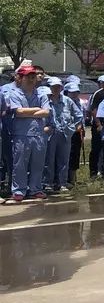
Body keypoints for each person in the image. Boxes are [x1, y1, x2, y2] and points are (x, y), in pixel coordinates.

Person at [6, 64, 51, 203]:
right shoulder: (15, 93)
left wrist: (28, 112)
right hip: (21, 134)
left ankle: (35, 189)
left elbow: (46, 112)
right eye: (28, 77)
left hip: (38, 134)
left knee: (38, 164)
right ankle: (19, 190)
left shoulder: (41, 94)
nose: (31, 79)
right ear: (20, 78)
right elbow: (18, 112)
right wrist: (37, 109)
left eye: (33, 76)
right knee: (20, 164)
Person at [44, 77, 81, 193]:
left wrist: (74, 128)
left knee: (64, 160)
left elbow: (78, 115)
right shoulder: (45, 100)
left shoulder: (67, 100)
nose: (56, 89)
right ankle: (48, 183)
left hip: (65, 133)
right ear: (49, 87)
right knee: (49, 160)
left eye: (58, 87)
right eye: (53, 87)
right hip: (50, 134)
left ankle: (62, 183)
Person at [88, 74, 104, 179]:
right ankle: (94, 172)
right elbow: (93, 109)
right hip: (98, 125)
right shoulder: (98, 93)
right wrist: (98, 124)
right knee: (96, 149)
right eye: (102, 83)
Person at [65, 80, 86, 187]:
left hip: (78, 132)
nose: (74, 94)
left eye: (76, 92)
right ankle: (66, 179)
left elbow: (82, 117)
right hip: (69, 131)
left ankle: (73, 179)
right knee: (67, 155)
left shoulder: (79, 102)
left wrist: (82, 128)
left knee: (75, 155)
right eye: (72, 92)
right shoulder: (65, 102)